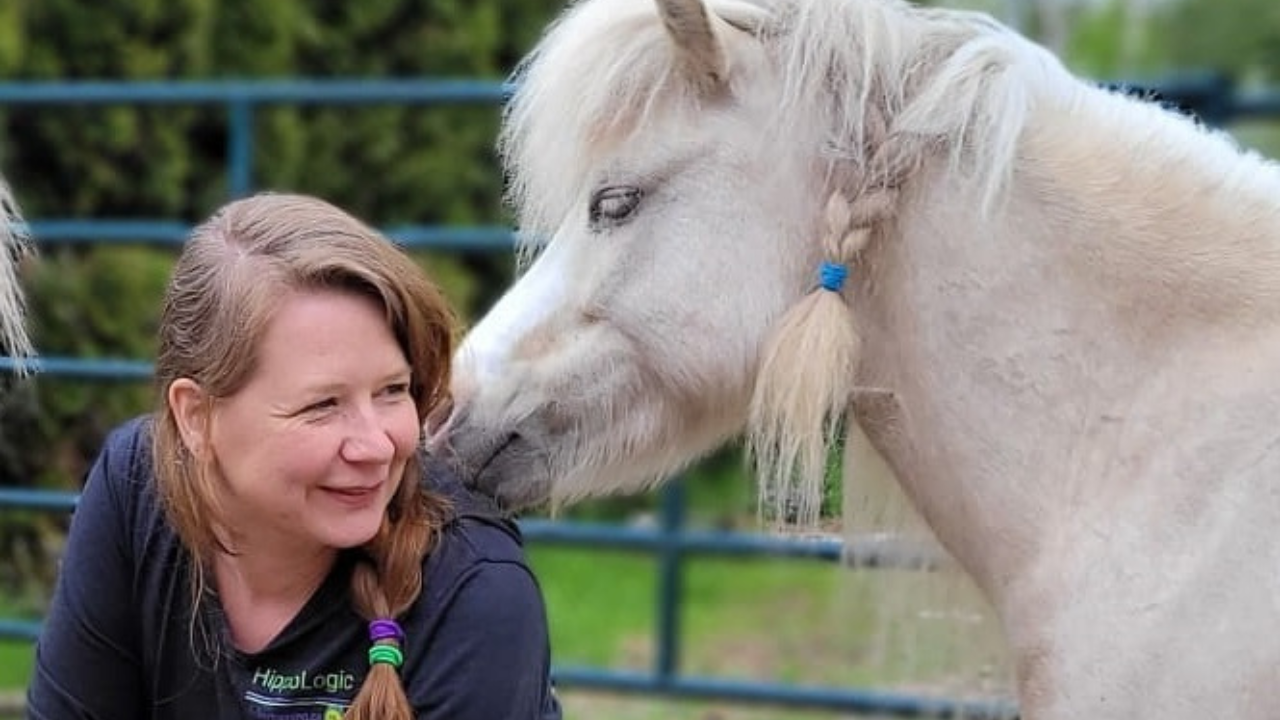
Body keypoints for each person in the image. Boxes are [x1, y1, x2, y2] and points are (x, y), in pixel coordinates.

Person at [25, 193, 562, 720]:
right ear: (195, 417)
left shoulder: (478, 592)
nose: (376, 446)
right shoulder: (137, 484)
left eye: (393, 391)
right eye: (323, 405)